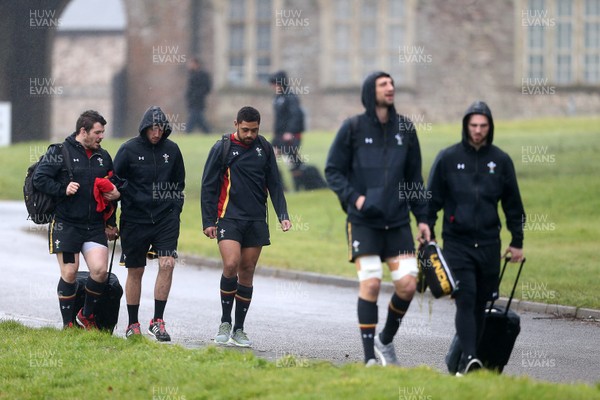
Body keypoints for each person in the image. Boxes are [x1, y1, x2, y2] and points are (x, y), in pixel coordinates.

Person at [325, 71, 431, 367]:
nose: (390, 88)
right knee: (370, 284)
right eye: (383, 84)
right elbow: (332, 170)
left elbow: (414, 180)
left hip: (398, 222)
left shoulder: (406, 129)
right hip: (364, 222)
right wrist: (356, 198)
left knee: (408, 285)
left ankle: (385, 339)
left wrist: (423, 219)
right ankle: (369, 357)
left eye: (392, 83)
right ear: (370, 92)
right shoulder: (352, 128)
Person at [426, 100, 525, 375]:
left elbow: (513, 205)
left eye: (483, 126)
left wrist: (517, 241)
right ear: (465, 126)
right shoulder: (448, 158)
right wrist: (427, 226)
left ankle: (463, 367)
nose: (478, 131)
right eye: (473, 125)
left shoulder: (501, 161)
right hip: (457, 243)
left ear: (490, 127)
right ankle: (470, 357)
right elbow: (431, 200)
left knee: (481, 302)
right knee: (466, 298)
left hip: (490, 245)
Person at [201, 106, 291, 347]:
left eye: (254, 130)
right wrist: (208, 221)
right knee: (231, 264)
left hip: (256, 220)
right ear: (236, 124)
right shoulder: (222, 148)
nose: (250, 134)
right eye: (245, 130)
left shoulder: (264, 148)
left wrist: (282, 214)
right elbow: (208, 186)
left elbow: (274, 182)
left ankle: (239, 328)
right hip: (229, 218)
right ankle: (224, 322)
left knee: (247, 270)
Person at [33, 110, 120, 329]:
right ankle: (68, 324)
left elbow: (111, 191)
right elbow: (40, 179)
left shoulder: (104, 157)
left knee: (100, 271)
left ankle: (86, 315)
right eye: (97, 132)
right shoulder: (59, 151)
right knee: (70, 273)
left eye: (102, 132)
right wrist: (63, 189)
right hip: (66, 225)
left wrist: (111, 221)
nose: (101, 137)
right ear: (83, 131)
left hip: (93, 226)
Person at [113, 106, 186, 341]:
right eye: (153, 128)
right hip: (135, 219)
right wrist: (123, 201)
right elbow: (113, 182)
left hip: (165, 218)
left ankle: (158, 321)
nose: (157, 133)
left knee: (167, 264)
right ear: (144, 128)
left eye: (161, 128)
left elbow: (179, 183)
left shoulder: (172, 150)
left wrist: (175, 209)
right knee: (136, 270)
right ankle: (133, 323)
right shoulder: (128, 149)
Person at [269, 70, 305, 188]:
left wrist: (290, 131)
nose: (274, 86)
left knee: (292, 161)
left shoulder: (290, 97)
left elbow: (296, 115)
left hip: (290, 135)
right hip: (278, 136)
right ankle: (280, 186)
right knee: (269, 157)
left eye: (276, 84)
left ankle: (299, 186)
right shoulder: (277, 98)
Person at [185, 58, 212, 134]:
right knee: (199, 119)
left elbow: (207, 88)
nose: (190, 66)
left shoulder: (203, 75)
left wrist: (196, 95)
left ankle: (187, 132)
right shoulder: (191, 74)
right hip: (192, 101)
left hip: (198, 101)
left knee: (194, 117)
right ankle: (208, 132)